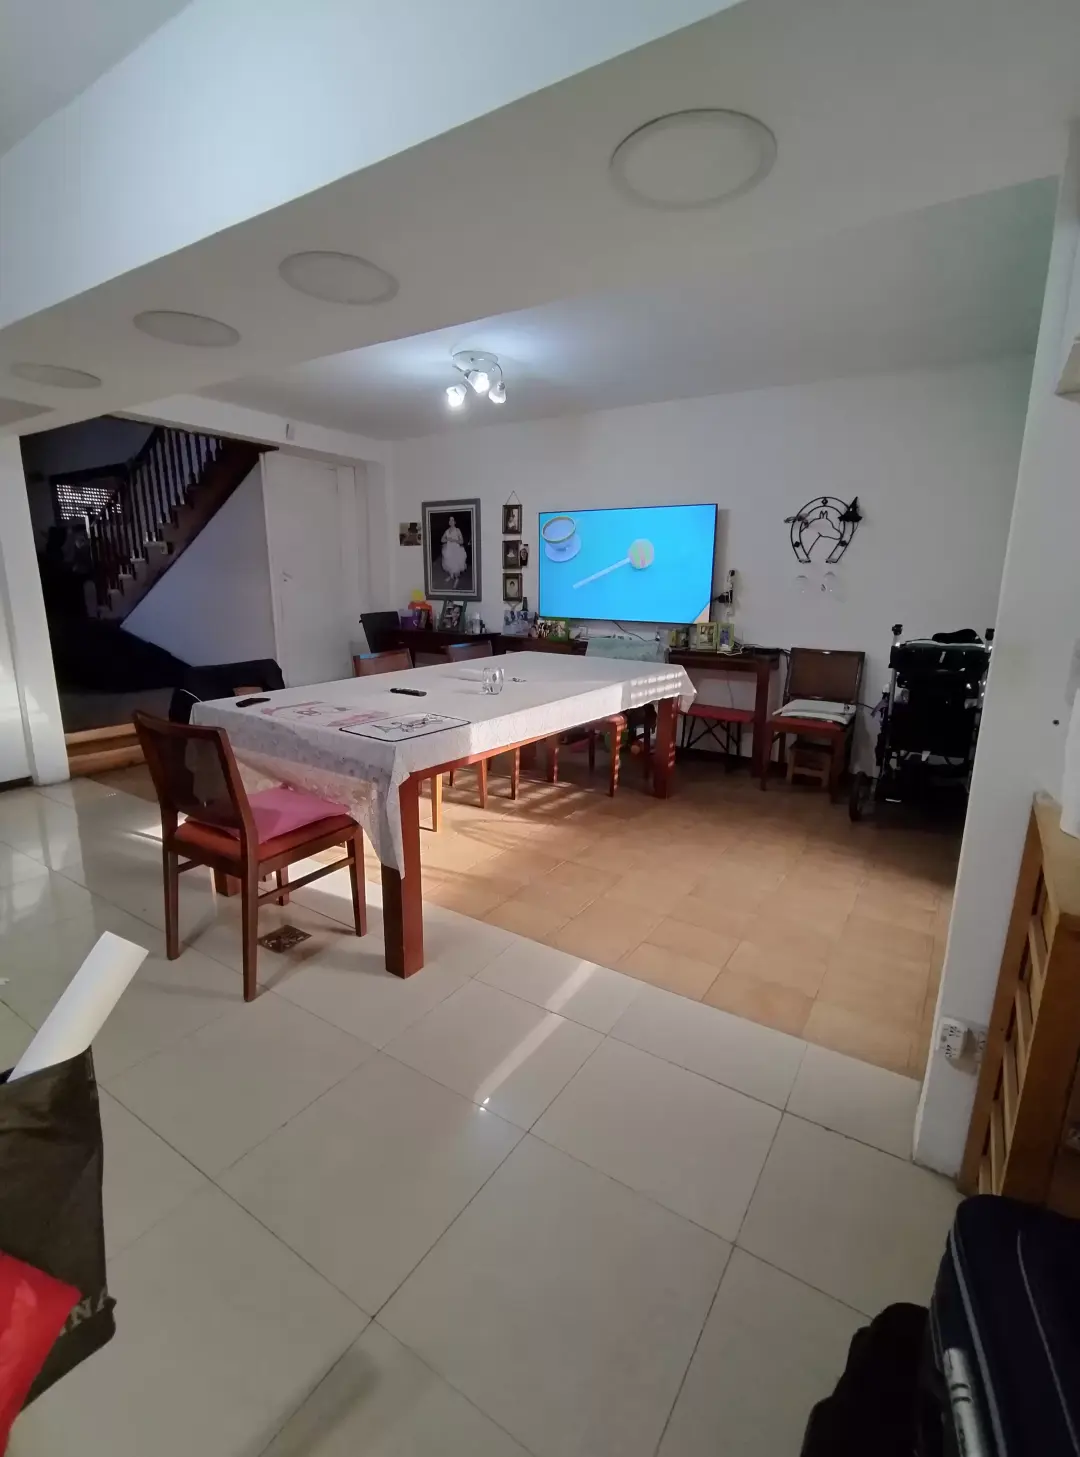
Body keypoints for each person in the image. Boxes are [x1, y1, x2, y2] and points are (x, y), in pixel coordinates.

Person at [440, 515, 468, 587]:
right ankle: (451, 576)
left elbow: (462, 541)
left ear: (455, 522)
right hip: (448, 550)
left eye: (452, 520)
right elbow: (442, 540)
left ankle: (457, 579)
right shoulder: (447, 531)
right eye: (450, 520)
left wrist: (454, 540)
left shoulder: (457, 530)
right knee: (449, 564)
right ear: (448, 522)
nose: (451, 521)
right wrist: (447, 539)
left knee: (455, 566)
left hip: (456, 550)